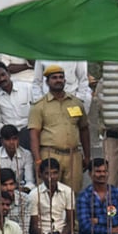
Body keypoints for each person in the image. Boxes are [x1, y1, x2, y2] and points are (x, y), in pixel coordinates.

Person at [28, 65, 91, 193]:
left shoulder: (76, 103)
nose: (58, 80)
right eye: (54, 78)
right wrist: (38, 160)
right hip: (50, 154)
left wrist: (87, 156)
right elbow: (34, 134)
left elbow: (84, 129)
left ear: (65, 80)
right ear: (47, 82)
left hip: (74, 156)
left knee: (73, 196)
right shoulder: (39, 106)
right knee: (49, 196)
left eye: (61, 77)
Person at [27, 158, 90, 234]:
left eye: (55, 173)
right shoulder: (34, 194)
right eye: (47, 173)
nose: (51, 177)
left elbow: (70, 222)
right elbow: (33, 226)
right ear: (40, 175)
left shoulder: (67, 191)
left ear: (59, 173)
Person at [0, 62, 35, 151]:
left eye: (3, 75)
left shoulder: (27, 88)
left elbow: (37, 110)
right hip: (9, 134)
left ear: (9, 74)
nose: (2, 79)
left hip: (29, 130)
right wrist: (10, 132)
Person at [0, 125, 35, 193]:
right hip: (1, 192)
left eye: (14, 139)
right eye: (8, 139)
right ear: (2, 141)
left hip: (20, 191)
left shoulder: (26, 154)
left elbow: (30, 181)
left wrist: (25, 189)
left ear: (19, 139)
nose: (12, 142)